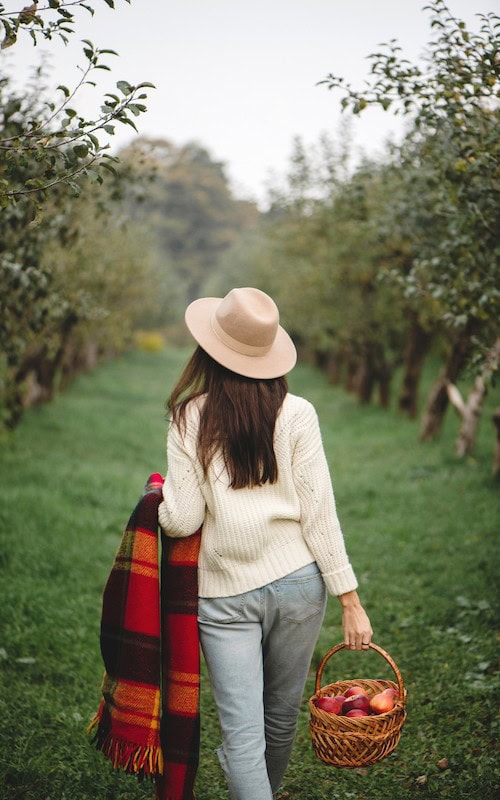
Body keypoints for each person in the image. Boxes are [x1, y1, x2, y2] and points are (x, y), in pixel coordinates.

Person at [158, 287, 372, 800]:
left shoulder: (189, 417)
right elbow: (321, 511)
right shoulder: (298, 413)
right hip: (300, 586)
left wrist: (158, 504)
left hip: (225, 594)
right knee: (279, 719)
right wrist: (350, 599)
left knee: (242, 737)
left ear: (209, 349)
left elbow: (183, 519)